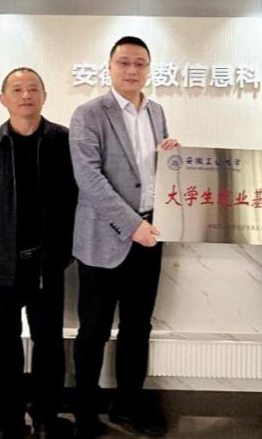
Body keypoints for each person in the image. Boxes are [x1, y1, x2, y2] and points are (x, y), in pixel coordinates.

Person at [0, 67, 78, 439]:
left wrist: (66, 251)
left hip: (46, 266)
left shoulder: (64, 142)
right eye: (17, 89)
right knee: (1, 350)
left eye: (33, 88)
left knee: (49, 346)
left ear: (44, 96)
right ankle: (7, 422)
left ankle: (46, 418)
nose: (26, 95)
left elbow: (78, 198)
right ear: (3, 99)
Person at [69, 36, 179, 438]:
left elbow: (149, 175)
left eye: (140, 63)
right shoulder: (88, 114)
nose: (132, 70)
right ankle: (85, 413)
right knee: (94, 331)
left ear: (148, 68)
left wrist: (172, 157)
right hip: (105, 238)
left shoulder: (156, 111)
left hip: (151, 235)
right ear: (110, 66)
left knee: (137, 327)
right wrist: (132, 225)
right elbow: (89, 178)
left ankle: (128, 407)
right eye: (124, 62)